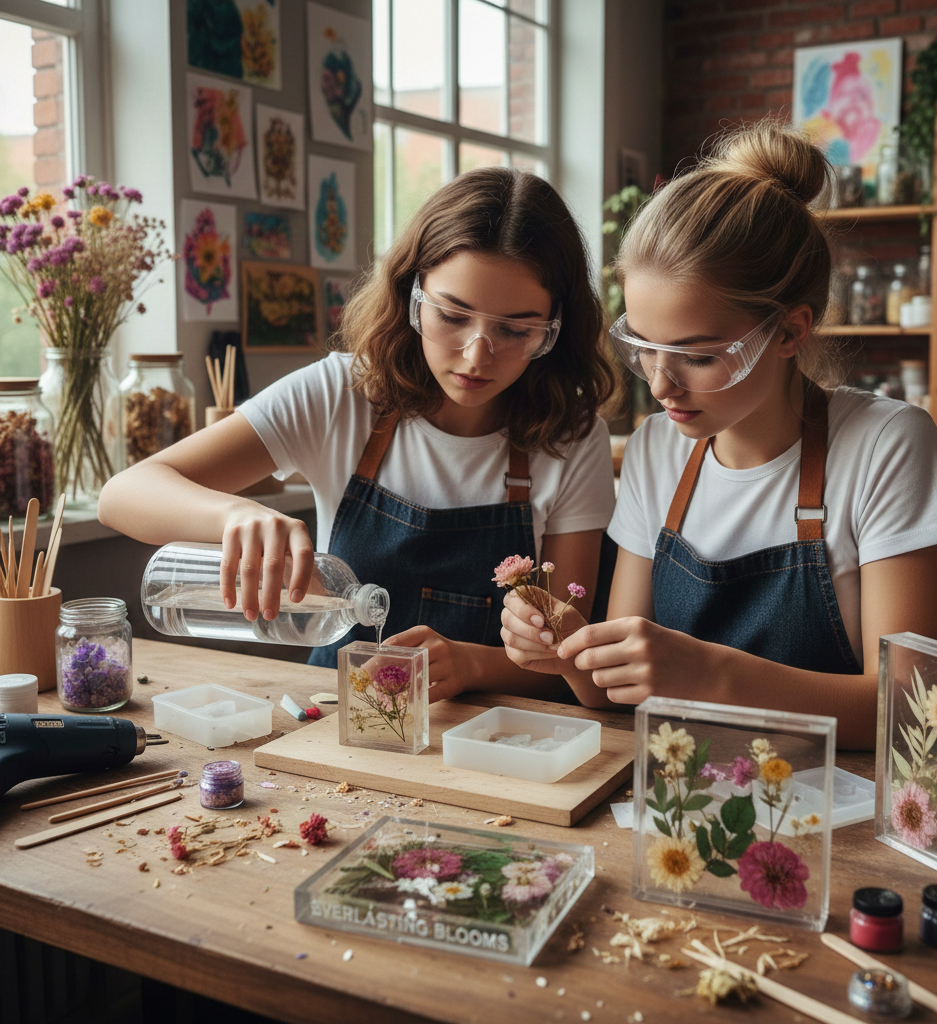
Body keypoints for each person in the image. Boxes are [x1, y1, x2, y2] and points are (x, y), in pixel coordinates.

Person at [499, 121, 937, 748]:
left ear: (790, 331)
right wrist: (563, 650)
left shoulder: (886, 446)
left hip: (838, 798)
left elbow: (912, 712)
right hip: (682, 790)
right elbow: (615, 694)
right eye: (644, 346)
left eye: (696, 356)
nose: (660, 384)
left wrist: (710, 674)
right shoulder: (656, 449)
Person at [98, 167, 618, 700]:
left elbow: (565, 657)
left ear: (555, 329)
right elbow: (122, 495)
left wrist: (473, 665)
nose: (476, 355)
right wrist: (234, 514)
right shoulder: (342, 394)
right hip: (335, 714)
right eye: (452, 315)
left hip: (493, 731)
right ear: (412, 295)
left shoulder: (572, 438)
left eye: (514, 329)